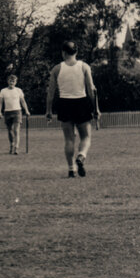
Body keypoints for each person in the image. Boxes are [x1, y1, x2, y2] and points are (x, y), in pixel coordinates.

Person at [46, 41, 101, 178]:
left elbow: (50, 93)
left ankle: (71, 169)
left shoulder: (56, 69)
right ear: (76, 52)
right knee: (86, 137)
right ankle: (81, 156)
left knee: (69, 139)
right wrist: (96, 109)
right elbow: (91, 90)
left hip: (64, 104)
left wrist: (48, 111)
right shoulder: (84, 67)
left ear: (63, 52)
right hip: (81, 102)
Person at [0, 74, 31, 155]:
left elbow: (23, 101)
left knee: (16, 130)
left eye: (13, 81)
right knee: (10, 131)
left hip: (17, 111)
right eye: (10, 80)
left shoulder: (18, 90)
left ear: (16, 82)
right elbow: (0, 103)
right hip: (7, 112)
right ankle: (12, 144)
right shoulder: (3, 91)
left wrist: (27, 110)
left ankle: (16, 147)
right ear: (7, 81)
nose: (11, 82)